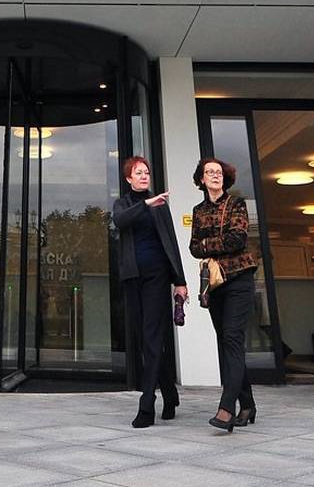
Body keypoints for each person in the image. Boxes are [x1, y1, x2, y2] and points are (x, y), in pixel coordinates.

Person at [112, 156, 188, 429]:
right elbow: (120, 221)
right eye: (138, 173)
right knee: (146, 339)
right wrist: (146, 204)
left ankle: (147, 404)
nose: (144, 176)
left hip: (158, 276)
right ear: (129, 179)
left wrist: (180, 281)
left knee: (153, 337)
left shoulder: (160, 206)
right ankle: (170, 393)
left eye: (146, 172)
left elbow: (171, 242)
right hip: (133, 277)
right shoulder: (124, 204)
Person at [189, 158, 260, 432]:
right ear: (202, 179)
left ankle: (227, 408)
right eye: (210, 172)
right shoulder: (198, 211)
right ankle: (248, 405)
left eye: (219, 172)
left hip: (239, 279)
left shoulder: (237, 204)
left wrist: (208, 244)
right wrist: (213, 245)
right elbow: (194, 247)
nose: (215, 175)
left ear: (225, 178)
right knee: (227, 343)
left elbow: (237, 239)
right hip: (215, 283)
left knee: (231, 338)